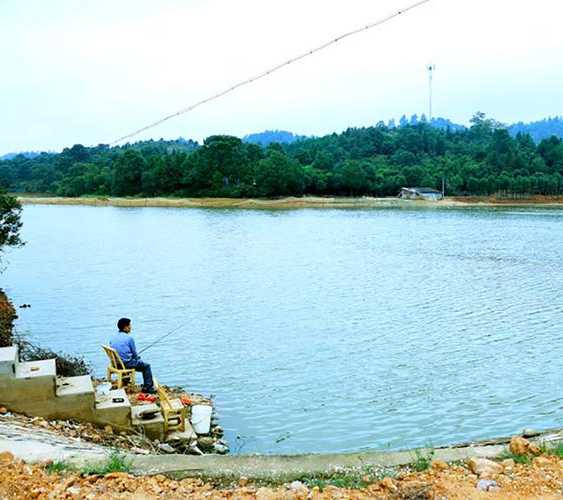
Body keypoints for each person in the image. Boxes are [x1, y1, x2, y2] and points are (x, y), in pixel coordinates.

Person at [109, 317, 155, 394]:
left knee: (129, 359)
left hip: (116, 364)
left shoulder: (113, 338)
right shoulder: (129, 338)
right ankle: (148, 388)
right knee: (146, 366)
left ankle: (125, 381)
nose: (131, 327)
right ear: (125, 327)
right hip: (125, 364)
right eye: (129, 326)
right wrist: (138, 358)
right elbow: (134, 354)